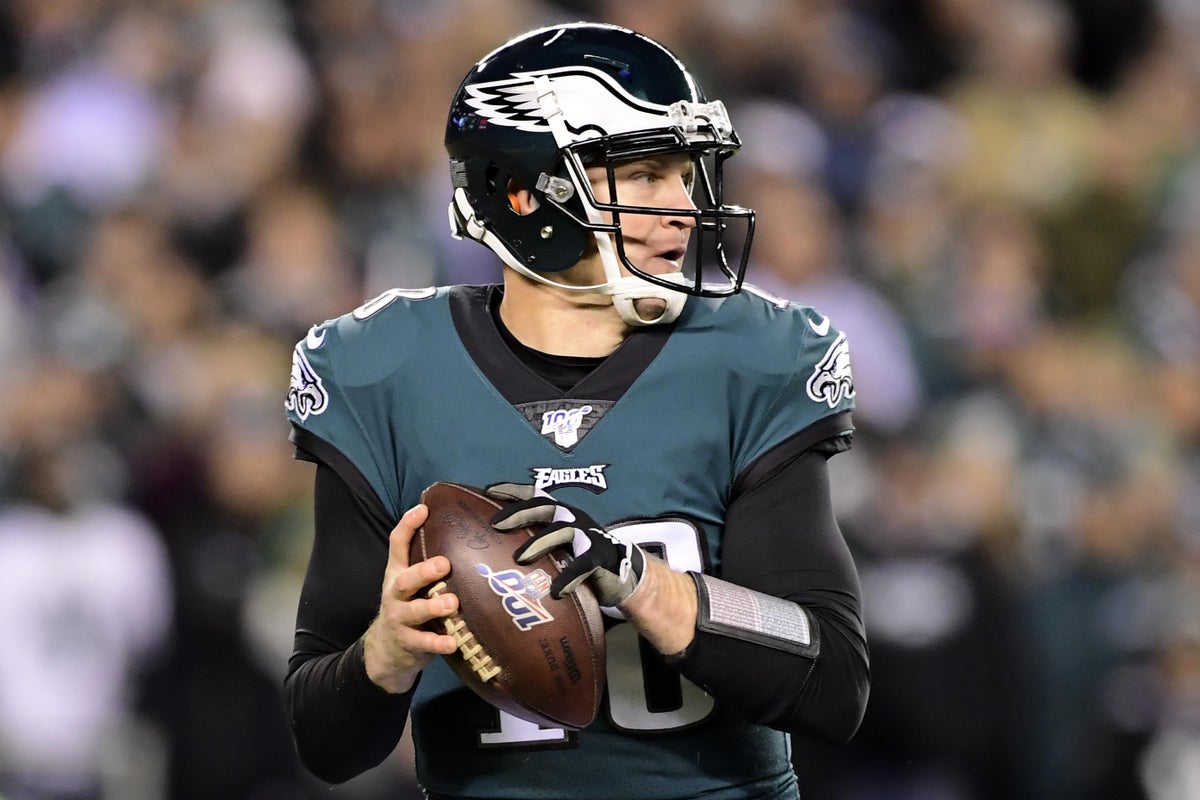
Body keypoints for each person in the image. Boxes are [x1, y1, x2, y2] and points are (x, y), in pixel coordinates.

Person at [283, 21, 869, 800]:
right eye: (647, 175)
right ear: (525, 193)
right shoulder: (385, 371)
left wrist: (637, 582)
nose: (685, 209)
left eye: (688, 176)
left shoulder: (750, 359)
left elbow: (833, 681)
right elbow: (325, 744)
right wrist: (385, 653)